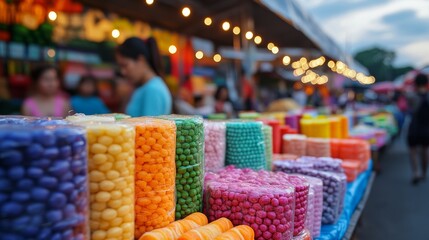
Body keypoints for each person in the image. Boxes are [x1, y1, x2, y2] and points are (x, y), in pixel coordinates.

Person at [116, 37, 172, 117]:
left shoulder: (152, 89)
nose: (123, 72)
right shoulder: (147, 87)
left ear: (141, 60)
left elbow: (150, 128)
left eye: (125, 65)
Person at [407, 73, 429, 185]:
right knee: (425, 150)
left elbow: (407, 107)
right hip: (426, 127)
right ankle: (424, 173)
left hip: (414, 127)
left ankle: (416, 172)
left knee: (413, 150)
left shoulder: (411, 95)